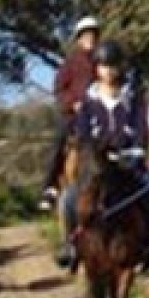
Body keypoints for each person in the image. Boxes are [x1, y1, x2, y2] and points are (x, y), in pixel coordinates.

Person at [59, 41, 149, 271]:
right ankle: (71, 244)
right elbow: (83, 136)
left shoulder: (133, 100)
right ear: (97, 69)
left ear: (120, 68)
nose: (108, 71)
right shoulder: (89, 103)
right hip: (96, 168)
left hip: (126, 165)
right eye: (103, 66)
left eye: (113, 66)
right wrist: (96, 153)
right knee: (68, 199)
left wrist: (132, 152)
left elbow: (141, 132)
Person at [40, 16, 101, 209]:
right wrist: (73, 103)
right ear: (79, 39)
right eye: (86, 36)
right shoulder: (70, 62)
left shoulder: (101, 62)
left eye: (93, 36)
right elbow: (59, 89)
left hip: (97, 114)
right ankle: (48, 188)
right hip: (73, 114)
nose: (90, 39)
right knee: (58, 142)